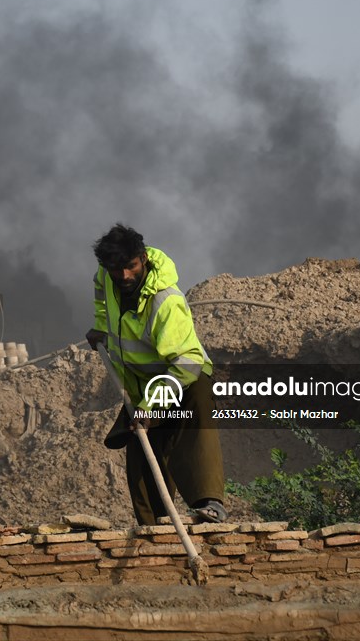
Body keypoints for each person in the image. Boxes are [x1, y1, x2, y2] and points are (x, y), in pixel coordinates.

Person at [86, 223, 226, 525]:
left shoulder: (165, 302)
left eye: (131, 267)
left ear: (143, 259)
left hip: (183, 379)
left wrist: (154, 405)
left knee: (192, 430)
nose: (124, 276)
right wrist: (100, 326)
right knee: (142, 453)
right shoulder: (106, 275)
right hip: (142, 384)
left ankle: (210, 505)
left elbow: (186, 360)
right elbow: (101, 296)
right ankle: (155, 529)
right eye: (116, 269)